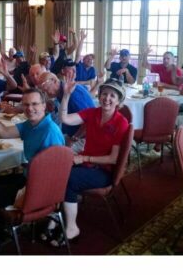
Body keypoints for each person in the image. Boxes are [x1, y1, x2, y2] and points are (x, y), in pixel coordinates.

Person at [48, 77, 129, 245]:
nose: (107, 98)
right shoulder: (93, 113)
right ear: (99, 96)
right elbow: (65, 119)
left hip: (104, 171)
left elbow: (113, 158)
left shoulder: (121, 122)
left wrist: (85, 158)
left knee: (69, 179)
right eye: (104, 94)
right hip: (87, 166)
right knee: (57, 171)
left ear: (118, 101)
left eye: (112, 96)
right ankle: (57, 215)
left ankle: (72, 228)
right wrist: (66, 96)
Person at [37, 70, 95, 141]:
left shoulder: (72, 94)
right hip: (70, 133)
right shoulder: (60, 92)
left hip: (84, 137)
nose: (46, 94)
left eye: (46, 90)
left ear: (54, 81)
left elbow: (90, 119)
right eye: (44, 92)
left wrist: (75, 137)